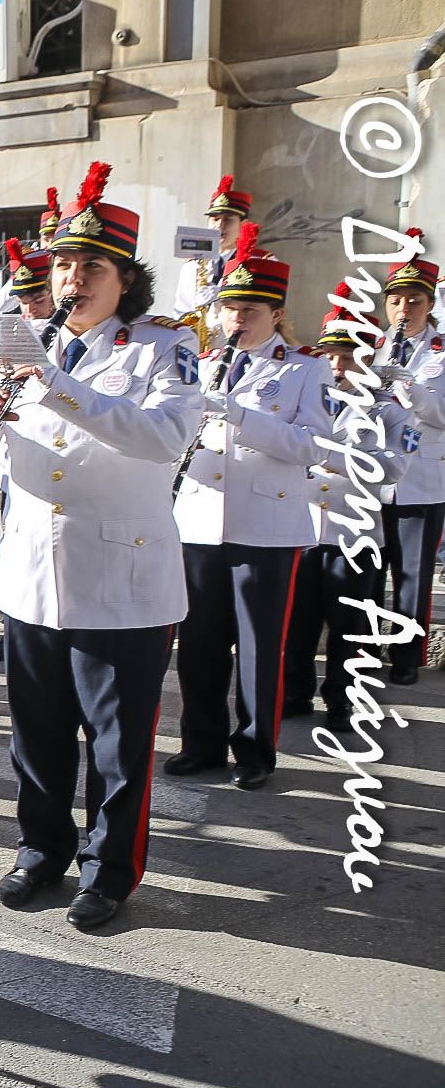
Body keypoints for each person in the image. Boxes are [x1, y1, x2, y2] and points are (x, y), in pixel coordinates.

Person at [0, 159, 203, 931]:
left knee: (118, 746)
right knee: (39, 736)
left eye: (92, 266)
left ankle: (109, 871)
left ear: (125, 280)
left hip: (123, 579)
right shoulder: (20, 338)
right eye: (63, 264)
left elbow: (164, 437)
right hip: (32, 574)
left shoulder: (163, 346)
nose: (73, 278)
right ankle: (41, 850)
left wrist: (55, 385)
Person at [170, 222, 332, 790]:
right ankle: (201, 743)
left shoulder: (305, 367)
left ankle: (256, 750)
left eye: (250, 309)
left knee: (261, 645)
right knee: (200, 643)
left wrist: (240, 415)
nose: (236, 318)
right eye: (230, 307)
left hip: (266, 524)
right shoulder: (199, 360)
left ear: (276, 312)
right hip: (199, 519)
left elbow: (313, 446)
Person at [284, 294, 416, 724]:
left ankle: (341, 699)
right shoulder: (302, 400)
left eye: (348, 358)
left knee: (349, 623)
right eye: (331, 356)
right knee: (297, 621)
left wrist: (329, 456)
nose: (337, 367)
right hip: (302, 526)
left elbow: (394, 468)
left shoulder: (388, 411)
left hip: (353, 533)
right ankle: (294, 692)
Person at [0, 236, 59, 663]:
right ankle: (10, 628)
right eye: (24, 302)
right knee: (16, 553)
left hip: (60, 475)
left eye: (38, 299)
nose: (30, 311)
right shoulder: (13, 337)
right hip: (17, 469)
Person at [373, 229, 444, 685]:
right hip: (371, 476)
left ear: (430, 305)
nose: (404, 310)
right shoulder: (369, 344)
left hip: (420, 478)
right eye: (396, 301)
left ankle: (405, 658)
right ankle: (363, 650)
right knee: (367, 570)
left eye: (415, 301)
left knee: (413, 573)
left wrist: (411, 389)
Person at [173, 175, 271, 319]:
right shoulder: (192, 265)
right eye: (215, 219)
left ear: (243, 225)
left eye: (228, 220)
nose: (219, 226)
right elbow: (180, 311)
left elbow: (266, 306)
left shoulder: (262, 261)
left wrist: (222, 293)